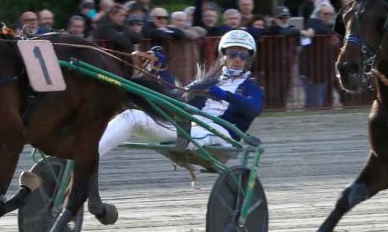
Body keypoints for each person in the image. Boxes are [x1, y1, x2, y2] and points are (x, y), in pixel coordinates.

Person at [98, 30, 264, 157]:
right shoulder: (209, 83)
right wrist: (162, 70)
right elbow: (175, 96)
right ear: (223, 56)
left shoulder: (252, 88)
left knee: (194, 129)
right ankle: (87, 158)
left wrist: (225, 95)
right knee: (131, 116)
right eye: (232, 54)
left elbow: (253, 108)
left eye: (242, 55)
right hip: (190, 127)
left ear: (248, 59)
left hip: (221, 135)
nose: (237, 59)